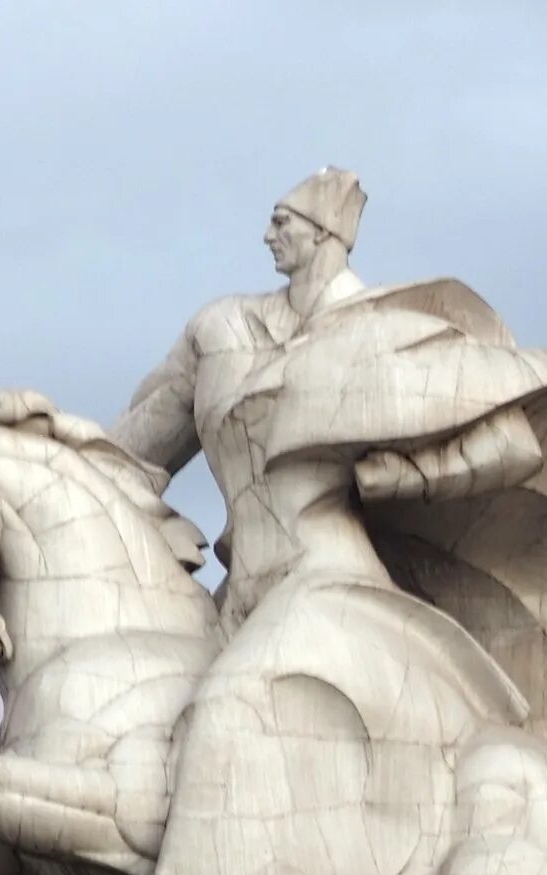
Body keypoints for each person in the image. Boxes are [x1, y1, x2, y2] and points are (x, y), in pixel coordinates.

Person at [110, 168, 368, 628]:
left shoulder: (376, 331)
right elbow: (133, 449)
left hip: (338, 591)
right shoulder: (222, 327)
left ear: (323, 231)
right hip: (242, 592)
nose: (268, 236)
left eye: (282, 222)